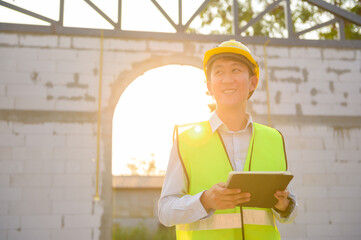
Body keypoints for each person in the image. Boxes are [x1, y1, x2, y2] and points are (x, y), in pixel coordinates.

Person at [158, 39, 297, 240]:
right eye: (219, 72)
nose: (227, 79)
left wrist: (283, 205)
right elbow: (165, 211)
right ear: (209, 86)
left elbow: (290, 211)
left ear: (253, 82)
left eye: (236, 70)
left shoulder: (274, 139)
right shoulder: (186, 141)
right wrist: (205, 200)